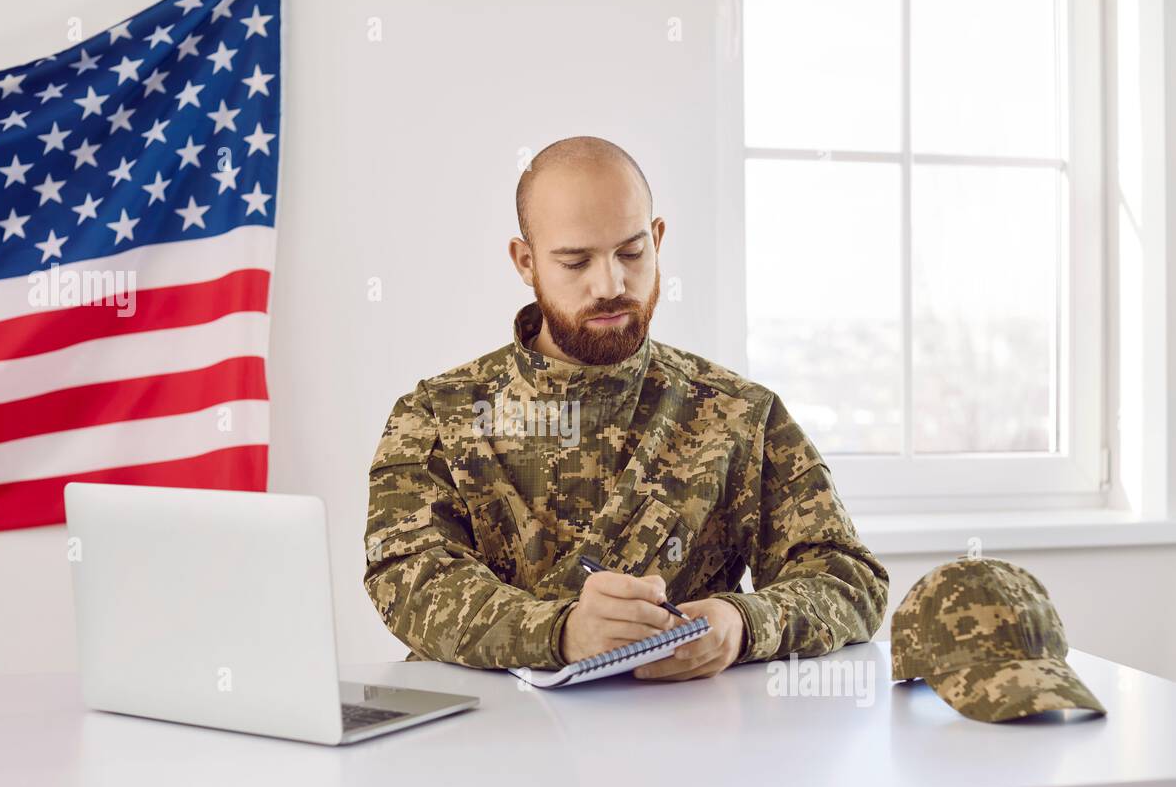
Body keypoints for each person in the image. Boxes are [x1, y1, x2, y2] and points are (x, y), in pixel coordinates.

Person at [364, 136, 889, 680]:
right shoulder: (436, 416)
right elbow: (407, 578)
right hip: (483, 742)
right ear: (526, 261)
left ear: (658, 239)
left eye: (631, 253)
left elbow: (850, 580)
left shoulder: (738, 413)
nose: (611, 284)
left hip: (686, 740)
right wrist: (560, 633)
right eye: (575, 261)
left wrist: (743, 622)